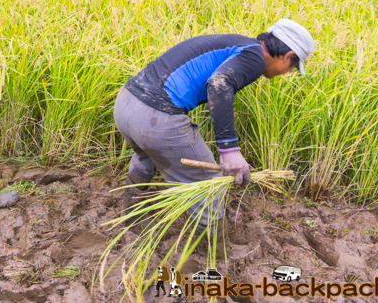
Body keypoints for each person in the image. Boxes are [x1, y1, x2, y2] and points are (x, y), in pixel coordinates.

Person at [114, 19, 315, 232]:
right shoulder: (255, 57)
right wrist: (230, 150)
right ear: (288, 56)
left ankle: (130, 222)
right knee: (209, 185)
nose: (287, 73)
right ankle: (213, 250)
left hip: (127, 104)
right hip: (154, 117)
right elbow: (219, 84)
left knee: (146, 160)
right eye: (293, 68)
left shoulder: (237, 44)